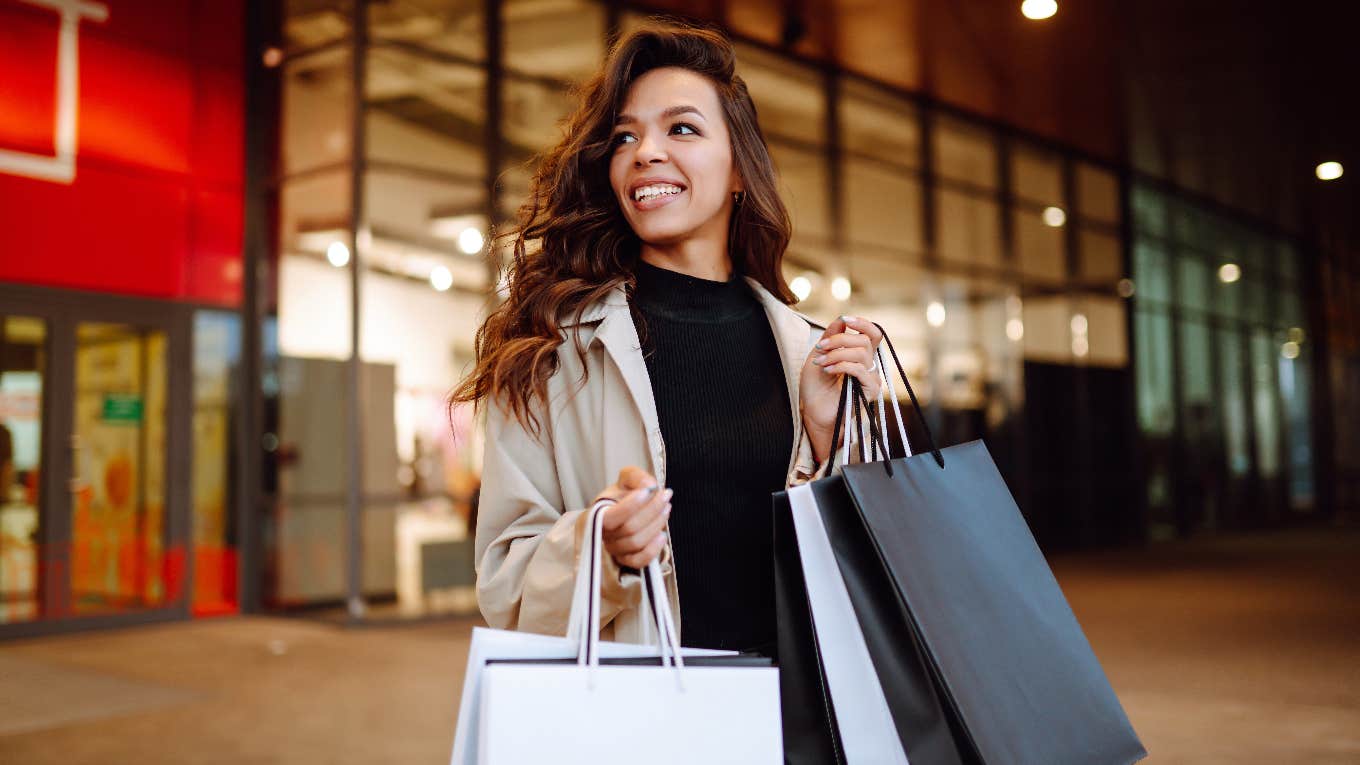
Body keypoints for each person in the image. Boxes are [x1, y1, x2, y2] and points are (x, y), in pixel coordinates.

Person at [451, 22, 883, 651]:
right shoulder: (552, 349)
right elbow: (505, 589)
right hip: (647, 724)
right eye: (625, 136)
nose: (645, 151)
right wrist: (604, 552)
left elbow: (868, 572)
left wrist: (829, 440)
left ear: (740, 170)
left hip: (798, 719)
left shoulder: (810, 353)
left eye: (681, 128)